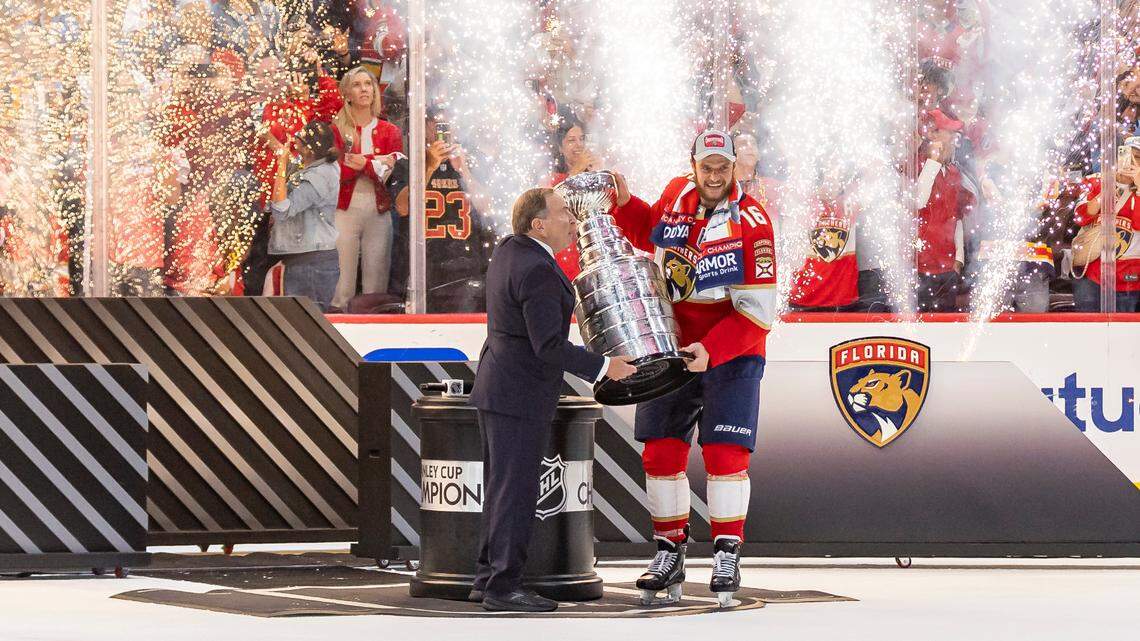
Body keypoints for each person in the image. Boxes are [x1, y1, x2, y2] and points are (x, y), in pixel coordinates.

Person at [608, 130, 778, 606]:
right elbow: (652, 234)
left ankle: (727, 552)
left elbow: (760, 313)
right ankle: (669, 550)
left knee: (726, 455)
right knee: (661, 452)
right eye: (709, 167)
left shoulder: (755, 222)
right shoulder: (675, 194)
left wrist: (714, 349)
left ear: (735, 167)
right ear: (694, 165)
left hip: (733, 350)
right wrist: (625, 203)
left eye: (724, 167)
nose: (716, 175)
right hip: (672, 348)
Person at [469, 188, 637, 612]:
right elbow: (548, 345)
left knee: (501, 487)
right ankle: (504, 587)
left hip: (499, 386)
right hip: (519, 392)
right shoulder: (538, 268)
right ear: (538, 223)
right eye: (563, 213)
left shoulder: (510, 251)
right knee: (516, 490)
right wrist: (603, 366)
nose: (572, 220)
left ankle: (488, 577)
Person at [329, 67, 403, 312]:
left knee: (377, 280)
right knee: (342, 282)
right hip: (343, 209)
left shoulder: (389, 131)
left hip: (378, 210)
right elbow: (337, 171)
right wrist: (374, 161)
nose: (364, 89)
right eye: (358, 85)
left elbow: (390, 172)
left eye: (368, 84)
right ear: (347, 93)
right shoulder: (336, 129)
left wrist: (363, 161)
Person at [267, 121, 341, 311]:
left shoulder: (318, 175)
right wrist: (266, 135)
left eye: (298, 140)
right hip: (308, 258)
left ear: (308, 149)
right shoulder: (317, 167)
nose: (294, 142)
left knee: (305, 324)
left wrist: (281, 164)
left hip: (310, 263)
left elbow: (282, 210)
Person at [1071, 137, 1140, 312]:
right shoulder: (1094, 181)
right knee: (1087, 330)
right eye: (1127, 155)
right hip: (1092, 270)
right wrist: (1107, 187)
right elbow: (1081, 216)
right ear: (1117, 157)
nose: (1131, 162)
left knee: (1123, 334)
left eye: (1138, 158)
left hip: (1129, 276)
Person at [915, 109, 971, 311]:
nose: (954, 138)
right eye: (949, 132)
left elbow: (956, 217)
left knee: (945, 325)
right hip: (921, 266)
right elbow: (918, 202)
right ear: (932, 134)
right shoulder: (917, 165)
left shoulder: (954, 172)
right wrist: (933, 162)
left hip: (947, 266)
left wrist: (959, 259)